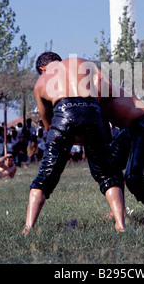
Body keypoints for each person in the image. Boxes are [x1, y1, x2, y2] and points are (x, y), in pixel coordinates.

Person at [22, 52, 125, 235]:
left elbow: (47, 122)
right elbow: (107, 85)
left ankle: (27, 229)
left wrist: (66, 134)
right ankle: (121, 225)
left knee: (46, 174)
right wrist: (94, 107)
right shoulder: (79, 61)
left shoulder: (42, 81)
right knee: (107, 173)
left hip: (63, 111)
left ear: (42, 69)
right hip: (92, 108)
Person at [98, 68, 144, 222]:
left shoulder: (98, 86)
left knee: (133, 177)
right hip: (130, 128)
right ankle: (118, 212)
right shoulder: (88, 99)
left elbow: (104, 82)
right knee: (110, 166)